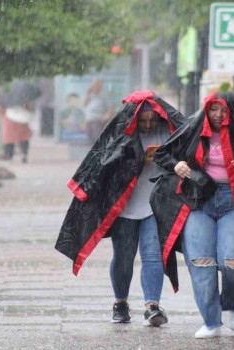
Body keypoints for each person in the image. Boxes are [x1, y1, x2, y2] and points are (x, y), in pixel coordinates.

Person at [55, 90, 185, 326]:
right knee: (124, 257)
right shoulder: (121, 135)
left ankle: (152, 306)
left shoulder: (171, 133)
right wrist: (137, 161)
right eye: (143, 121)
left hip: (154, 207)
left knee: (153, 256)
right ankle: (120, 303)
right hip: (125, 209)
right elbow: (105, 166)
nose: (147, 125)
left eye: (151, 120)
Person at [152, 91, 234, 339]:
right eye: (213, 109)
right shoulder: (194, 126)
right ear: (206, 110)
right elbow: (164, 153)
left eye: (223, 110)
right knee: (200, 262)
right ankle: (211, 320)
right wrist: (178, 166)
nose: (218, 115)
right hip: (199, 202)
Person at [0, 81, 41, 163]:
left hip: (9, 121)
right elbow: (29, 109)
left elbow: (1, 110)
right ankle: (24, 154)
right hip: (23, 122)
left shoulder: (6, 98)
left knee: (9, 140)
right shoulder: (25, 99)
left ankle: (9, 155)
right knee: (23, 139)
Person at [83, 79, 114, 144]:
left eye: (97, 85)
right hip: (89, 119)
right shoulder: (90, 94)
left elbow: (110, 107)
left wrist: (107, 116)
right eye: (94, 85)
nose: (95, 87)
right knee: (90, 139)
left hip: (98, 119)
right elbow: (84, 104)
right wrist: (88, 93)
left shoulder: (105, 95)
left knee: (97, 139)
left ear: (100, 86)